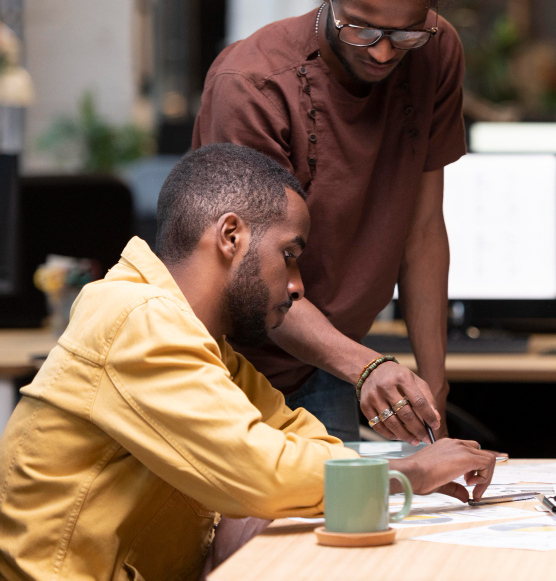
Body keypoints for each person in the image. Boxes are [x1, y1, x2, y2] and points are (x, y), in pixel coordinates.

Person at [0, 144, 496, 581]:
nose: (297, 284)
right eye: (289, 254)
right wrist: (410, 472)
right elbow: (265, 470)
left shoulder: (205, 346)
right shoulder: (136, 319)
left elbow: (297, 439)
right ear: (230, 236)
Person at [192, 0, 471, 444]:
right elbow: (252, 278)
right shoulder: (252, 85)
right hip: (230, 363)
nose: (385, 51)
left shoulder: (436, 50)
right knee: (257, 524)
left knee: (346, 522)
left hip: (333, 355)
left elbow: (423, 231)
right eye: (361, 27)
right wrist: (367, 367)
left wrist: (434, 381)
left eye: (405, 31)